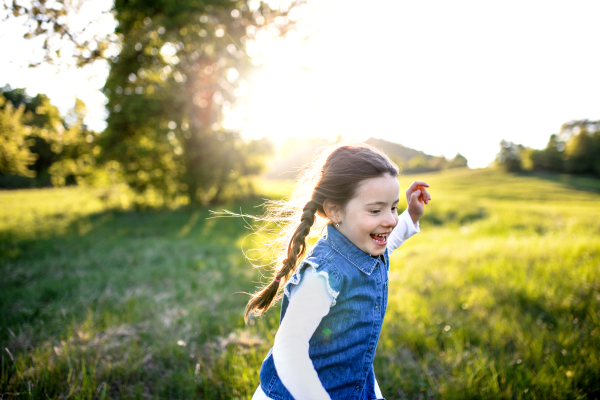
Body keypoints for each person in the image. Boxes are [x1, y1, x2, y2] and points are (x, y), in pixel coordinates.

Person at [247, 143, 431, 400]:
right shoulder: (323, 274)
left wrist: (410, 215)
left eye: (393, 207)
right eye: (376, 210)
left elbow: (392, 238)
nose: (390, 219)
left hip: (352, 383)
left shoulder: (365, 246)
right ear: (335, 210)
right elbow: (289, 348)